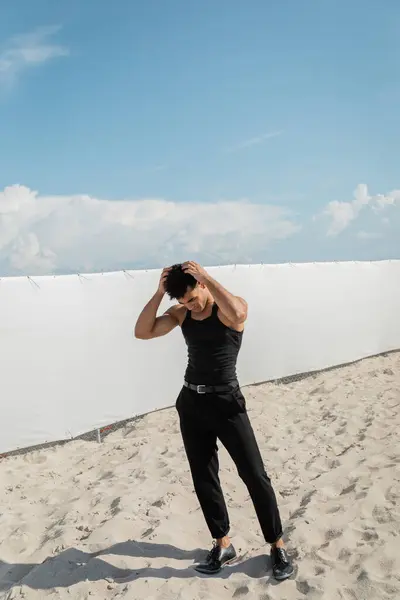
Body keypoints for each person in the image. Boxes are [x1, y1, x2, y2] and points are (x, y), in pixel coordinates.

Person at [134, 261, 294, 581]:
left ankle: (276, 545)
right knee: (204, 477)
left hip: (227, 403)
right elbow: (143, 332)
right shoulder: (182, 314)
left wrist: (205, 276)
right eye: (183, 302)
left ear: (203, 285)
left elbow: (239, 314)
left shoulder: (228, 309)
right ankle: (223, 543)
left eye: (192, 297)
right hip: (192, 403)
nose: (190, 305)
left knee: (254, 474)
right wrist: (158, 293)